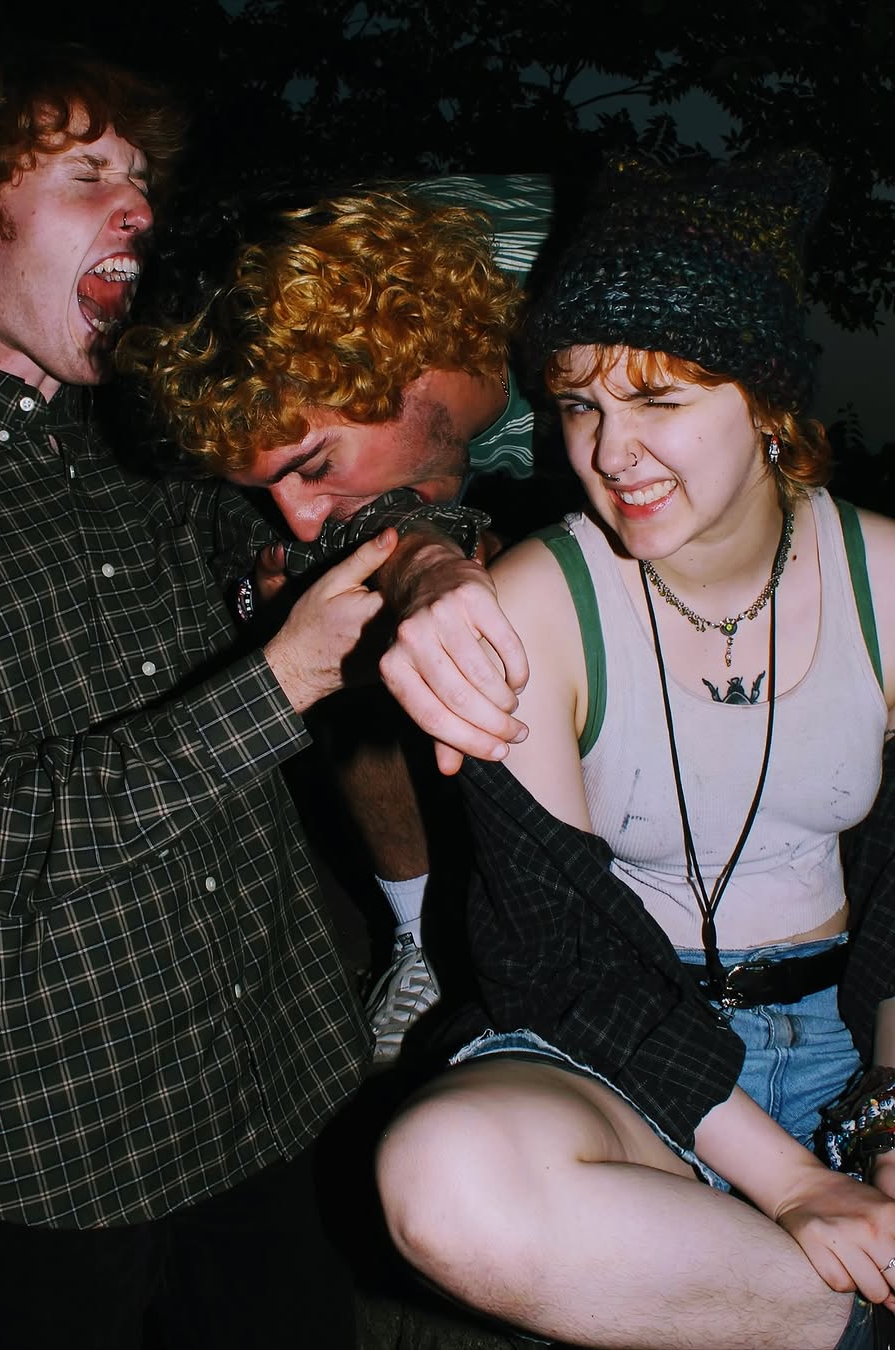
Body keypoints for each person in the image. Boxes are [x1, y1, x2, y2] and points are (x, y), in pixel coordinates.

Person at [0, 42, 402, 1350]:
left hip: (262, 1078)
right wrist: (285, 675)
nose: (138, 207)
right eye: (87, 175)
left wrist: (411, 534)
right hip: (38, 1155)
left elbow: (311, 542)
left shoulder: (140, 440)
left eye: (142, 177)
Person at [375, 151, 895, 1350]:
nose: (612, 453)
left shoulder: (885, 583)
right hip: (617, 1046)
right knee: (447, 1178)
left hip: (855, 1029)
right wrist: (796, 1186)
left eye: (660, 400)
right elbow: (558, 957)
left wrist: (886, 1124)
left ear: (768, 403)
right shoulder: (534, 606)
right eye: (580, 404)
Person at [120, 177, 551, 1060]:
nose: (304, 516)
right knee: (343, 611)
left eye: (315, 465)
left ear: (406, 351)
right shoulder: (352, 433)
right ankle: (417, 939)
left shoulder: (567, 296)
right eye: (270, 488)